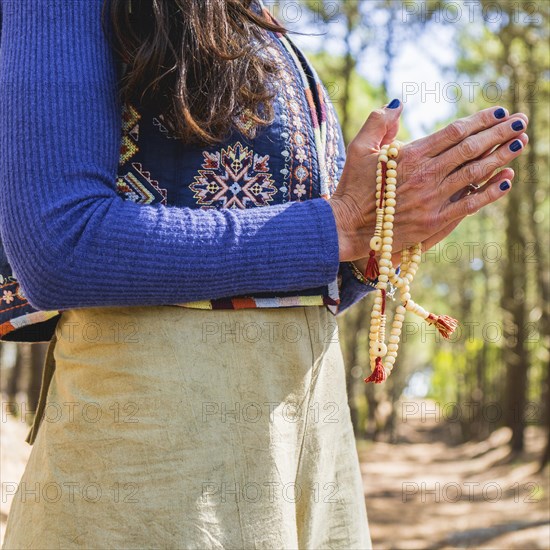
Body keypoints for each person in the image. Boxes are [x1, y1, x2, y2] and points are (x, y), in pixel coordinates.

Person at [0, 0, 528, 548]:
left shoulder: (264, 24)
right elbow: (59, 243)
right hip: (155, 453)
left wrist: (367, 252)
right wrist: (337, 227)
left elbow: (287, 278)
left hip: (312, 445)